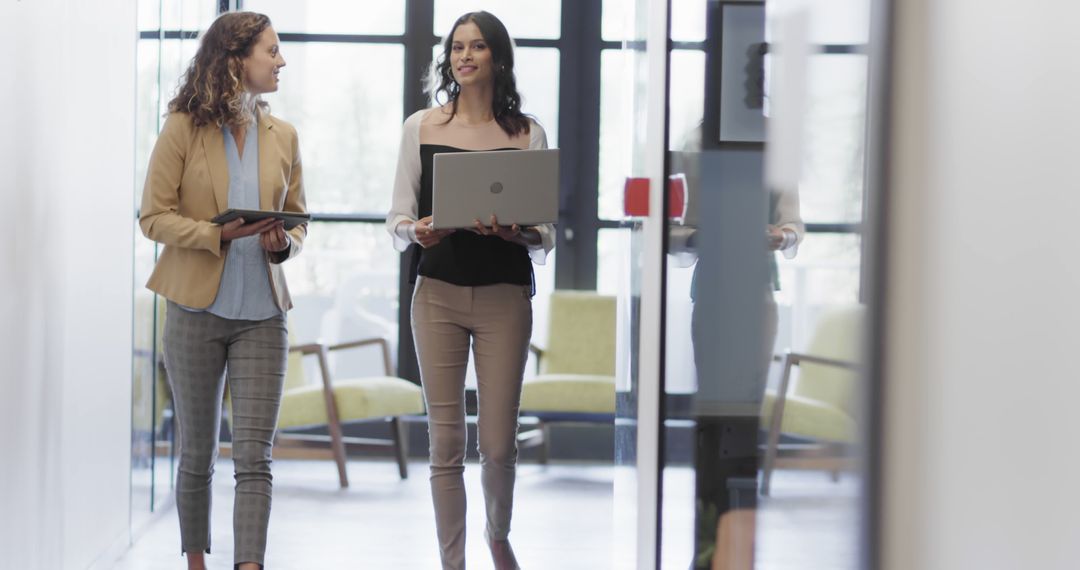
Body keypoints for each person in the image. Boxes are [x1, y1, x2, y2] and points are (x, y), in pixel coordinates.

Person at [386, 11, 555, 570]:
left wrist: (517, 230)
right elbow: (397, 220)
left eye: (477, 46)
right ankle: (451, 561)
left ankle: (497, 535)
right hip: (436, 294)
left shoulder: (527, 133)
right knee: (445, 444)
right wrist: (420, 230)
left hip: (506, 295)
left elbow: (545, 231)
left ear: (497, 58)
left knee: (500, 442)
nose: (464, 56)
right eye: (457, 47)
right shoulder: (422, 127)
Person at [139, 11, 306, 570]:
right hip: (193, 310)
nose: (281, 61)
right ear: (237, 59)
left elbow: (298, 219)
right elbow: (153, 217)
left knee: (255, 458)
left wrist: (283, 243)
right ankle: (195, 561)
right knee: (197, 455)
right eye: (271, 51)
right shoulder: (184, 127)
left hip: (263, 313)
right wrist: (215, 233)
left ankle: (250, 565)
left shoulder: (284, 135)